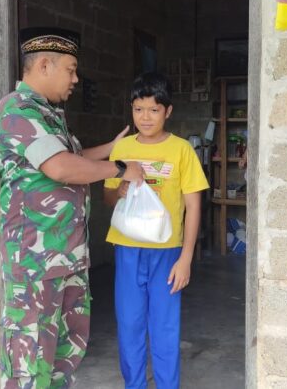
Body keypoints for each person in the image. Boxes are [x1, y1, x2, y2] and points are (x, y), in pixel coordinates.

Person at [0, 27, 145, 389]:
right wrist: (120, 169)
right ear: (44, 64)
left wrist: (111, 148)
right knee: (29, 367)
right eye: (71, 69)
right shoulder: (15, 110)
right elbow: (60, 168)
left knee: (63, 360)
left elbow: (70, 156)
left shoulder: (50, 113)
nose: (76, 79)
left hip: (67, 260)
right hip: (34, 266)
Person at [104, 72, 209, 389]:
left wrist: (186, 258)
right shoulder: (122, 148)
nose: (145, 117)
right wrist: (121, 189)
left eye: (153, 109)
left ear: (168, 111)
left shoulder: (181, 151)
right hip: (127, 249)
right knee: (130, 325)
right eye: (138, 109)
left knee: (164, 328)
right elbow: (108, 198)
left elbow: (193, 206)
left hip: (166, 253)